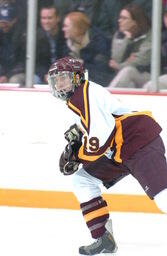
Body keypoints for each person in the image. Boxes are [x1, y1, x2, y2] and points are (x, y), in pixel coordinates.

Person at [47, 56, 167, 255]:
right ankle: (103, 238)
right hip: (120, 149)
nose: (59, 84)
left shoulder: (83, 95)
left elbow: (101, 137)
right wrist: (79, 135)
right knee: (82, 180)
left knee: (164, 199)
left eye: (63, 78)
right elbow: (101, 125)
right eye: (56, 80)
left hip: (139, 143)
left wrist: (78, 155)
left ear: (77, 78)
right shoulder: (82, 94)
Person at [108, 4, 151, 89]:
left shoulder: (149, 35)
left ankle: (107, 98)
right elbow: (116, 59)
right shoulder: (120, 34)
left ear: (135, 21)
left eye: (124, 18)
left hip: (148, 75)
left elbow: (141, 60)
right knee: (129, 83)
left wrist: (120, 66)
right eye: (120, 17)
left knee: (128, 71)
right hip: (125, 76)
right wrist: (126, 40)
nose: (119, 20)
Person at [62, 11, 111, 86]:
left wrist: (83, 64)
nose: (63, 29)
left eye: (66, 26)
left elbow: (101, 73)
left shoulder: (100, 43)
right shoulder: (66, 45)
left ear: (77, 28)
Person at [35, 5, 66, 84]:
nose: (46, 21)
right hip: (43, 74)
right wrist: (44, 74)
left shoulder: (65, 34)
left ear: (58, 18)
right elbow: (35, 62)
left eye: (49, 18)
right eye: (43, 18)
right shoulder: (36, 36)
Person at [0, 2, 26, 85]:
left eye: (6, 22)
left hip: (17, 73)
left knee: (14, 80)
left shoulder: (22, 35)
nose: (3, 25)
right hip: (2, 73)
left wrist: (7, 76)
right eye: (1, 21)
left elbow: (23, 62)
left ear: (14, 20)